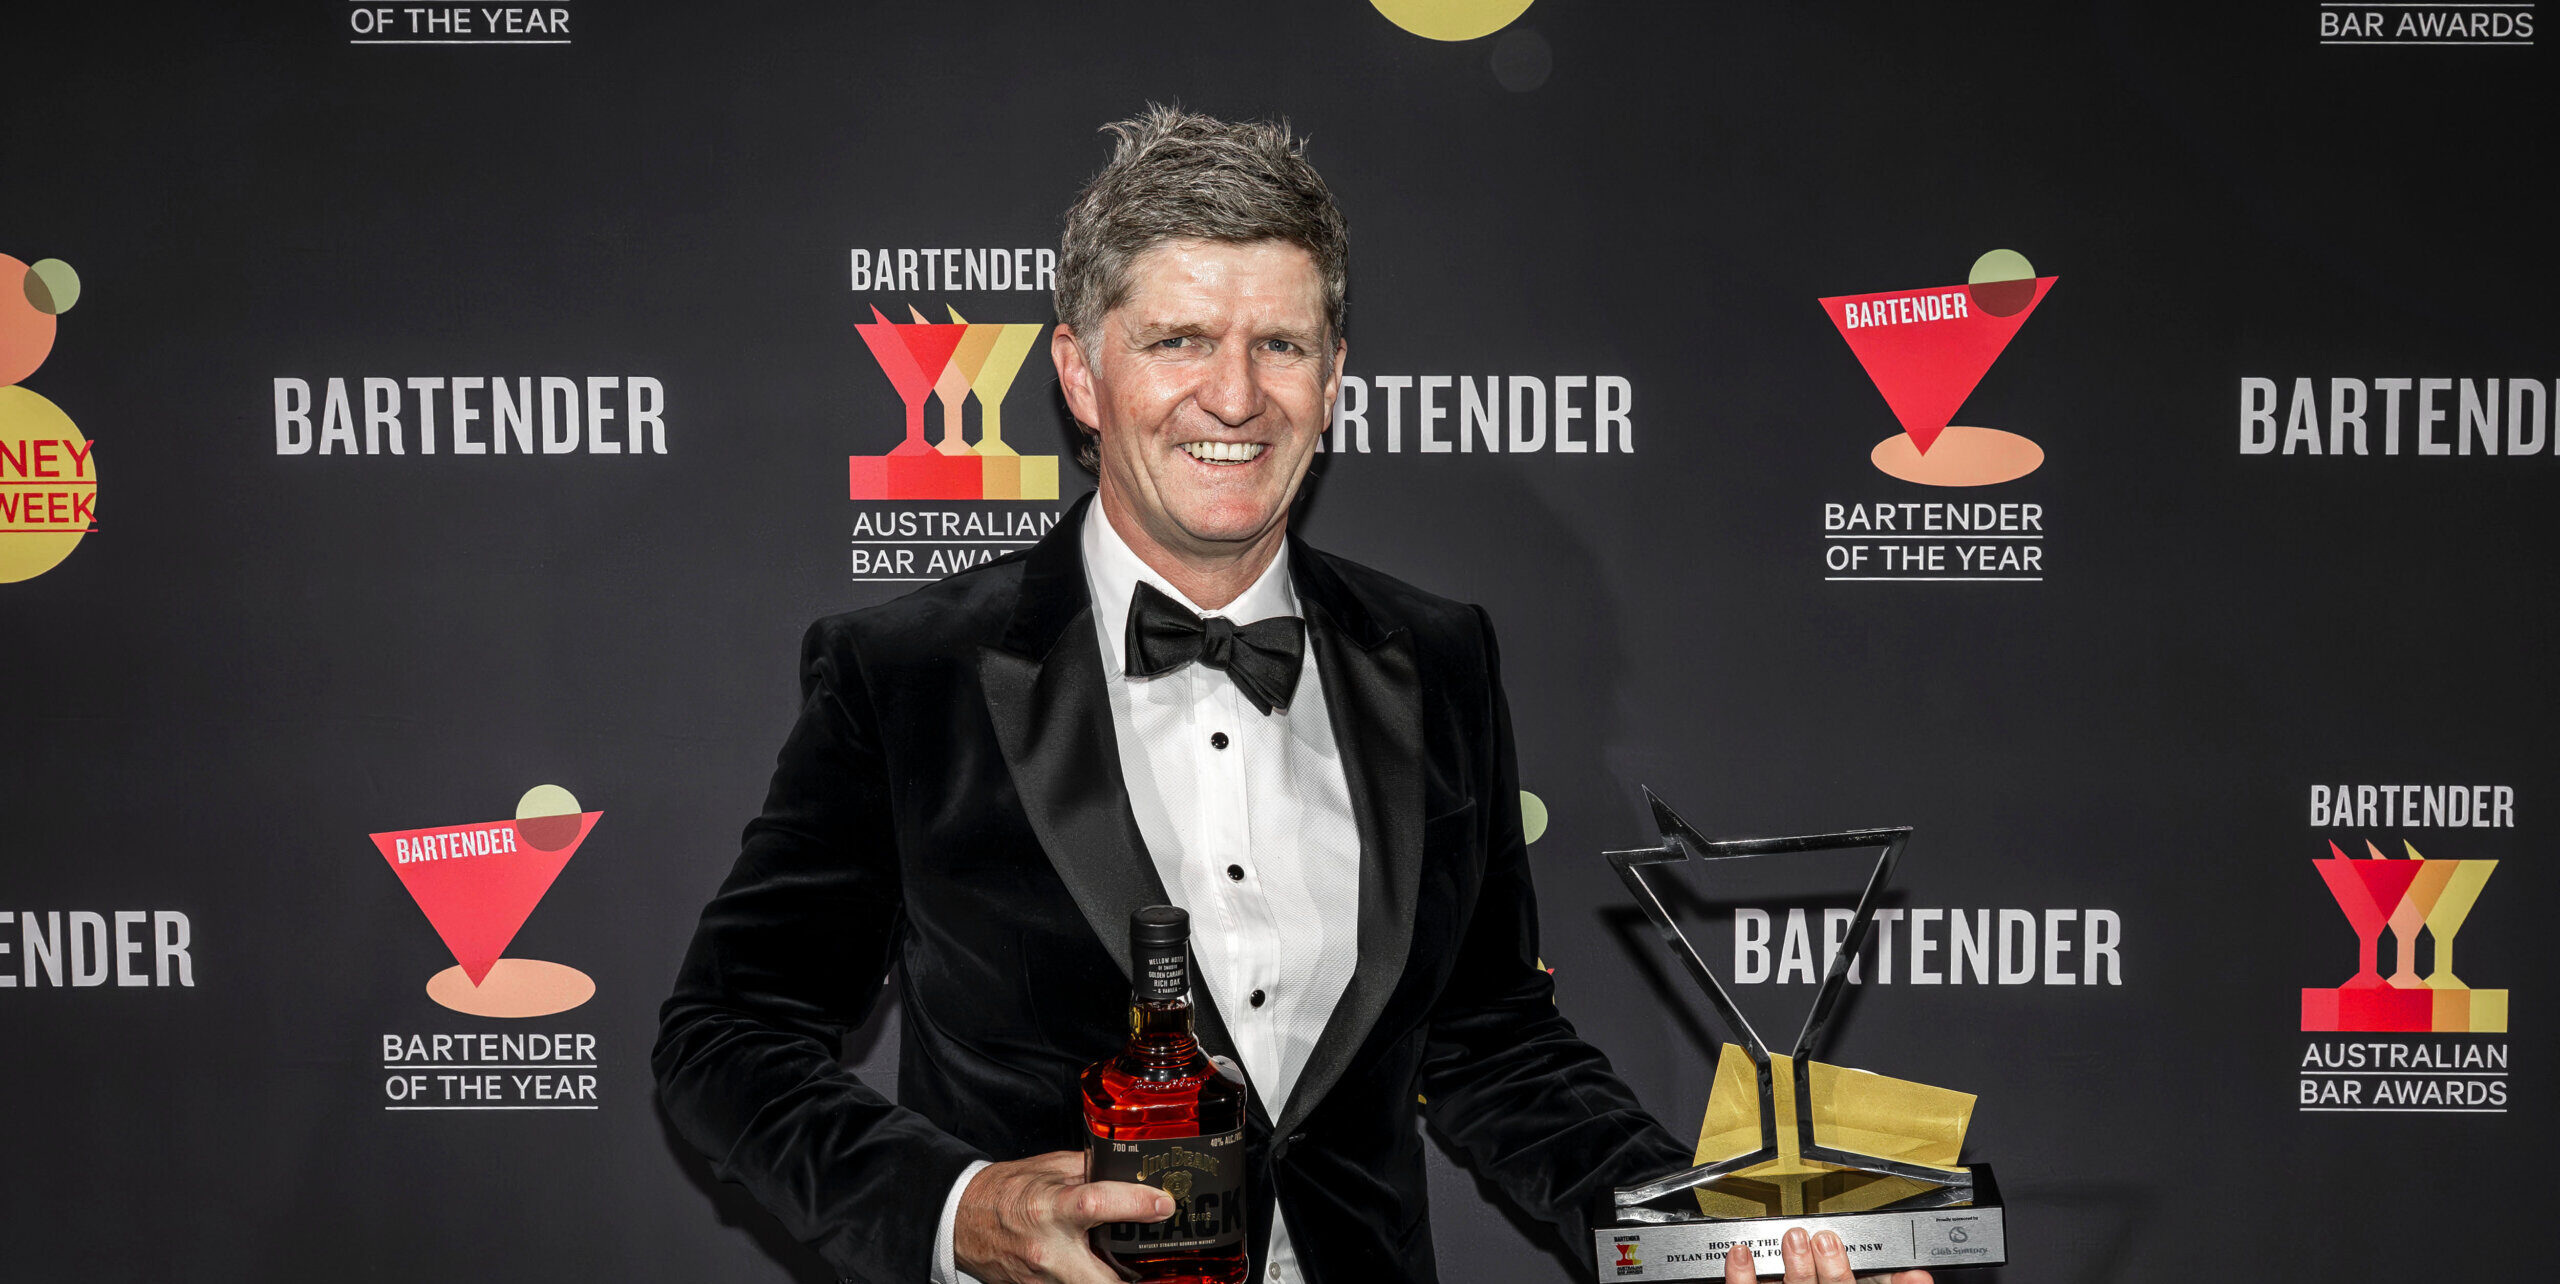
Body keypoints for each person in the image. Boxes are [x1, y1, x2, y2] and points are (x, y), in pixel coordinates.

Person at [654, 105, 1928, 1284]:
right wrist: (963, 1210)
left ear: (1334, 376)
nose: (1234, 395)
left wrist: (1712, 1241)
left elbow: (1494, 1043)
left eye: (1280, 345)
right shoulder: (905, 674)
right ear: (1081, 376)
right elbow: (725, 1040)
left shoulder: (1437, 657)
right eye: (1178, 341)